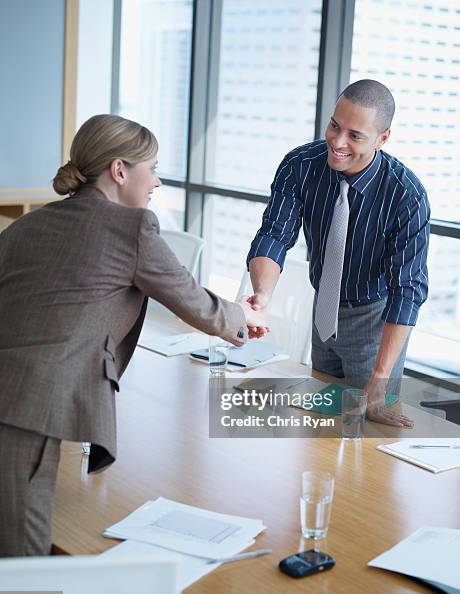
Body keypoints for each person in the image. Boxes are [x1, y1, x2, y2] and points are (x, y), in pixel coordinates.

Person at [0, 114, 267, 557]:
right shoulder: (132, 229)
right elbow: (192, 299)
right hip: (27, 409)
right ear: (120, 170)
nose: (157, 182)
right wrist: (244, 317)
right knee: (24, 566)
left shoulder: (28, 225)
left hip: (18, 397)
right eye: (153, 168)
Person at [247, 80, 430, 426]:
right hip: (324, 312)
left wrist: (381, 377)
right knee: (321, 420)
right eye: (334, 125)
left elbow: (407, 290)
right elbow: (274, 234)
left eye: (355, 135)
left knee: (371, 429)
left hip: (375, 322)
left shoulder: (407, 196)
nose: (337, 142)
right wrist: (262, 296)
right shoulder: (300, 164)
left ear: (383, 138)